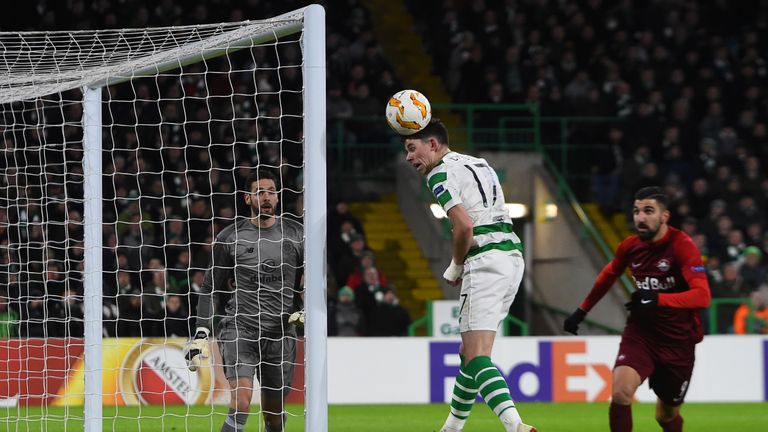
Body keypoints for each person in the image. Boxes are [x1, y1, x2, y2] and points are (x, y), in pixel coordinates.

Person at [402, 119, 535, 432]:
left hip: (485, 260)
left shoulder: (438, 173)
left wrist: (457, 264)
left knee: (476, 355)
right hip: (512, 257)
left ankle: (515, 426)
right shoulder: (479, 163)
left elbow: (464, 226)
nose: (409, 157)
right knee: (469, 354)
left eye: (412, 148)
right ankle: (450, 428)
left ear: (432, 145)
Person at [563, 186, 711, 432]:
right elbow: (609, 275)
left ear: (664, 217)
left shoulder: (681, 246)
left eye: (648, 211)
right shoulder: (630, 246)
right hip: (641, 335)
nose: (640, 217)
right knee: (621, 393)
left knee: (665, 416)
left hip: (678, 342)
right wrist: (582, 310)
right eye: (636, 211)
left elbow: (702, 296)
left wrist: (658, 299)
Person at [185, 170, 304, 432]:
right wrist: (201, 333)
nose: (266, 197)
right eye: (259, 192)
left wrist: (303, 310)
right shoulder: (230, 237)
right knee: (242, 399)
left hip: (281, 333)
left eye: (271, 191)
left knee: (273, 417)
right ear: (247, 199)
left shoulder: (297, 235)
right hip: (241, 329)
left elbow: (309, 284)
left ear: (278, 196)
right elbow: (209, 288)